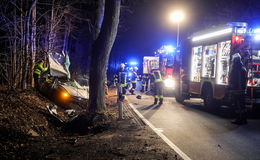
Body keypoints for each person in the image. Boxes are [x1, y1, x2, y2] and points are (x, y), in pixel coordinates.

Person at [228, 53, 248, 125]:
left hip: (237, 90)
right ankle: (244, 119)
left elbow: (234, 80)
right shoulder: (243, 68)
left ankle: (238, 119)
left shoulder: (236, 69)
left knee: (237, 105)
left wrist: (231, 86)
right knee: (242, 105)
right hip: (242, 90)